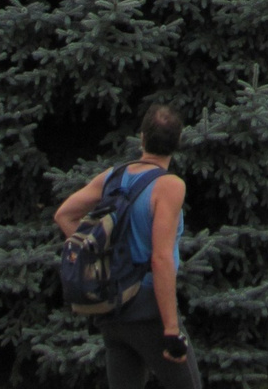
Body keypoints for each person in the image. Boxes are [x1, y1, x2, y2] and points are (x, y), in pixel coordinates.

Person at [54, 103, 201, 388]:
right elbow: (160, 258)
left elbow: (64, 215)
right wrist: (171, 328)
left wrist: (100, 260)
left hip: (111, 309)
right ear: (177, 144)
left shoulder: (113, 176)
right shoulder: (169, 186)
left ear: (142, 138)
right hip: (147, 308)